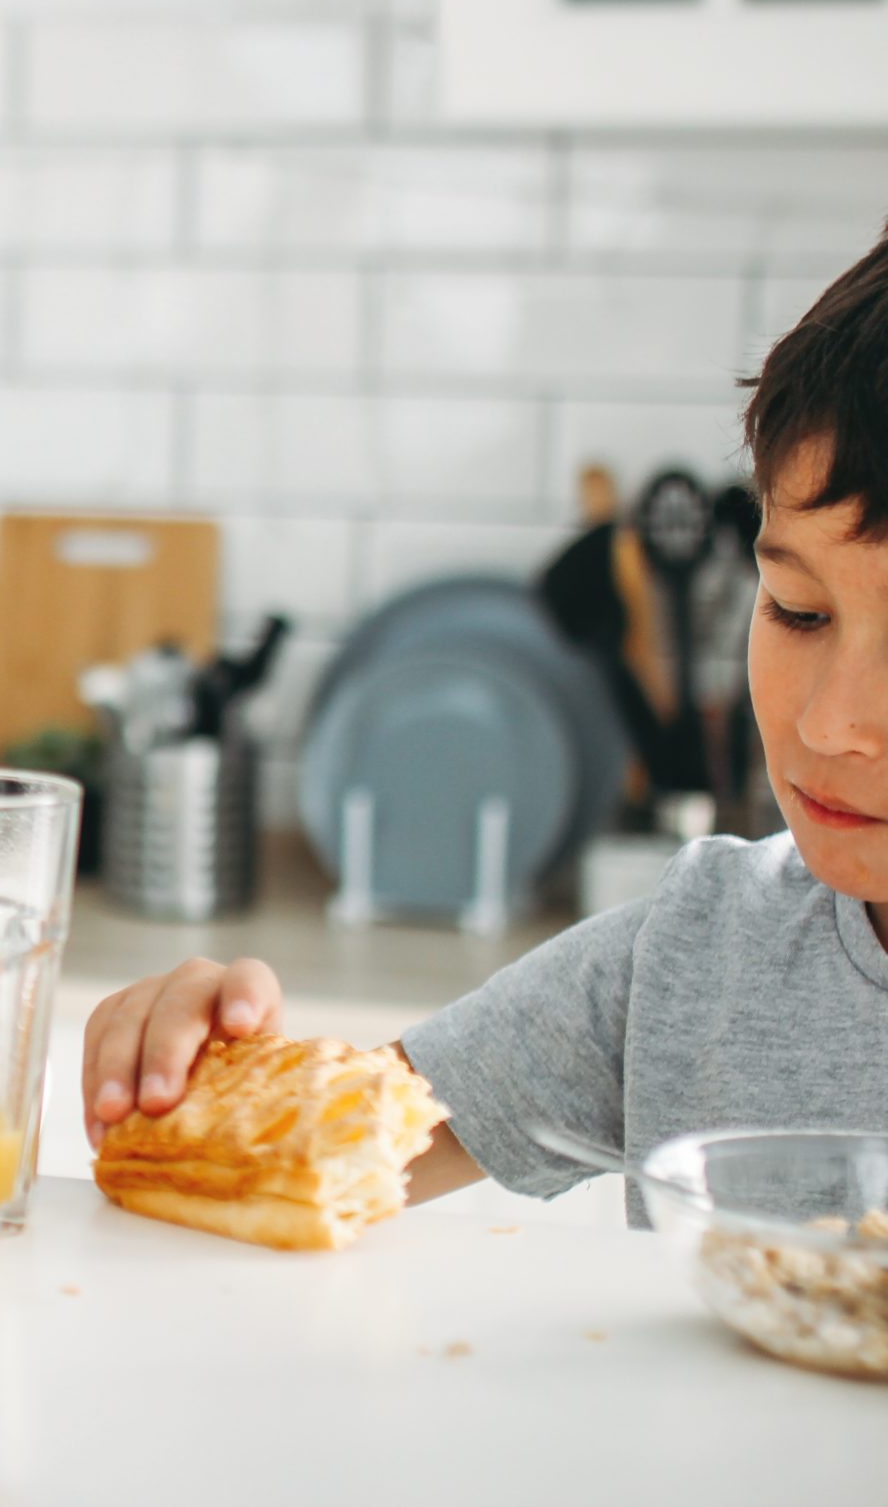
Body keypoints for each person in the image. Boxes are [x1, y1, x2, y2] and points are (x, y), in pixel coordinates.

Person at [60, 234, 888, 1218]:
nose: (834, 722)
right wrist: (191, 1064)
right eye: (796, 610)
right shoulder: (692, 962)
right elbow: (319, 1156)